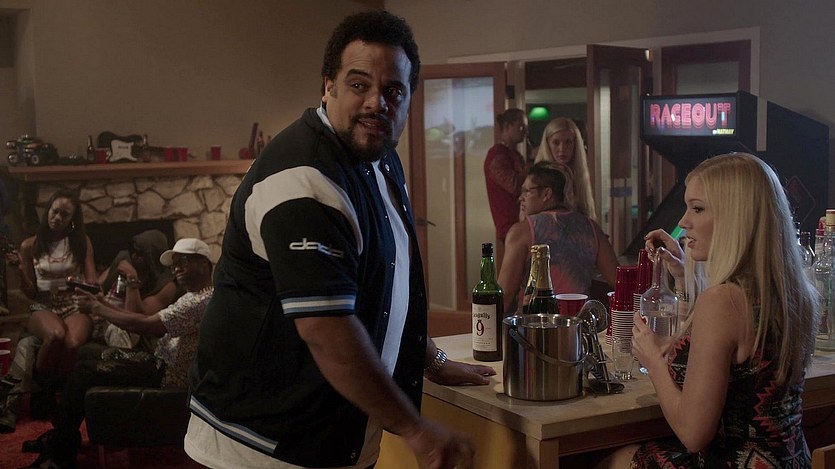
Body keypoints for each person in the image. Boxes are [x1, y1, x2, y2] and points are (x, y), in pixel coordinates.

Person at [185, 11, 494, 469]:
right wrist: (416, 430)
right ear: (328, 86)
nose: (376, 103)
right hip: (259, 447)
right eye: (359, 84)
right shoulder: (303, 179)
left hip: (331, 441)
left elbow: (386, 288)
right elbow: (327, 330)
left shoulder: (379, 157)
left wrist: (432, 359)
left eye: (393, 91)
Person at [600, 153, 817, 468]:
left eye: (697, 208)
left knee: (608, 460)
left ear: (734, 218)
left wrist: (652, 360)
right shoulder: (796, 294)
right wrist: (683, 277)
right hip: (793, 461)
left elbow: (693, 433)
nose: (683, 222)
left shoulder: (722, 302)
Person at [22, 238, 215, 468]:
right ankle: (62, 435)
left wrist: (98, 308)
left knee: (85, 371)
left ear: (204, 264)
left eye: (183, 262)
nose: (176, 269)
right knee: (86, 355)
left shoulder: (201, 301)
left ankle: (61, 451)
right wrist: (101, 303)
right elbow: (143, 318)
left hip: (167, 374)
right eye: (174, 265)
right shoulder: (195, 295)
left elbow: (145, 324)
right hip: (158, 362)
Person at [498, 163, 617, 314]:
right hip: (579, 322)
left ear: (547, 194)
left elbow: (504, 295)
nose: (521, 198)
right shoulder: (591, 227)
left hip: (534, 323)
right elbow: (617, 279)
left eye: (527, 191)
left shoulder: (522, 231)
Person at [17, 188, 97, 383]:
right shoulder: (29, 245)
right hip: (44, 306)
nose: (58, 218)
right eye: (55, 211)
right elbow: (30, 293)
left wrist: (90, 290)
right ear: (48, 211)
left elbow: (92, 281)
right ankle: (39, 385)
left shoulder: (81, 242)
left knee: (72, 343)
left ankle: (61, 389)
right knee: (56, 335)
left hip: (74, 305)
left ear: (72, 219)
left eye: (65, 214)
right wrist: (19, 272)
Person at [95, 229, 181, 348]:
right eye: (133, 251)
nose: (134, 256)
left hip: (127, 326)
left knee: (118, 331)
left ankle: (122, 359)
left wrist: (132, 279)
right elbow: (98, 286)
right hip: (101, 315)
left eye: (141, 254)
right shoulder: (124, 260)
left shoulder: (166, 284)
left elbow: (136, 319)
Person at [484, 107, 528, 270]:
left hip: (521, 221)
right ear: (508, 126)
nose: (525, 131)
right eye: (521, 126)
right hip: (508, 225)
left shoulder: (516, 155)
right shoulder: (496, 155)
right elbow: (515, 186)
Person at [534, 117, 596, 220]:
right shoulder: (537, 178)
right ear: (547, 144)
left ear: (575, 145)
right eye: (556, 143)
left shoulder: (579, 175)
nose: (562, 149)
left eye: (568, 142)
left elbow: (587, 215)